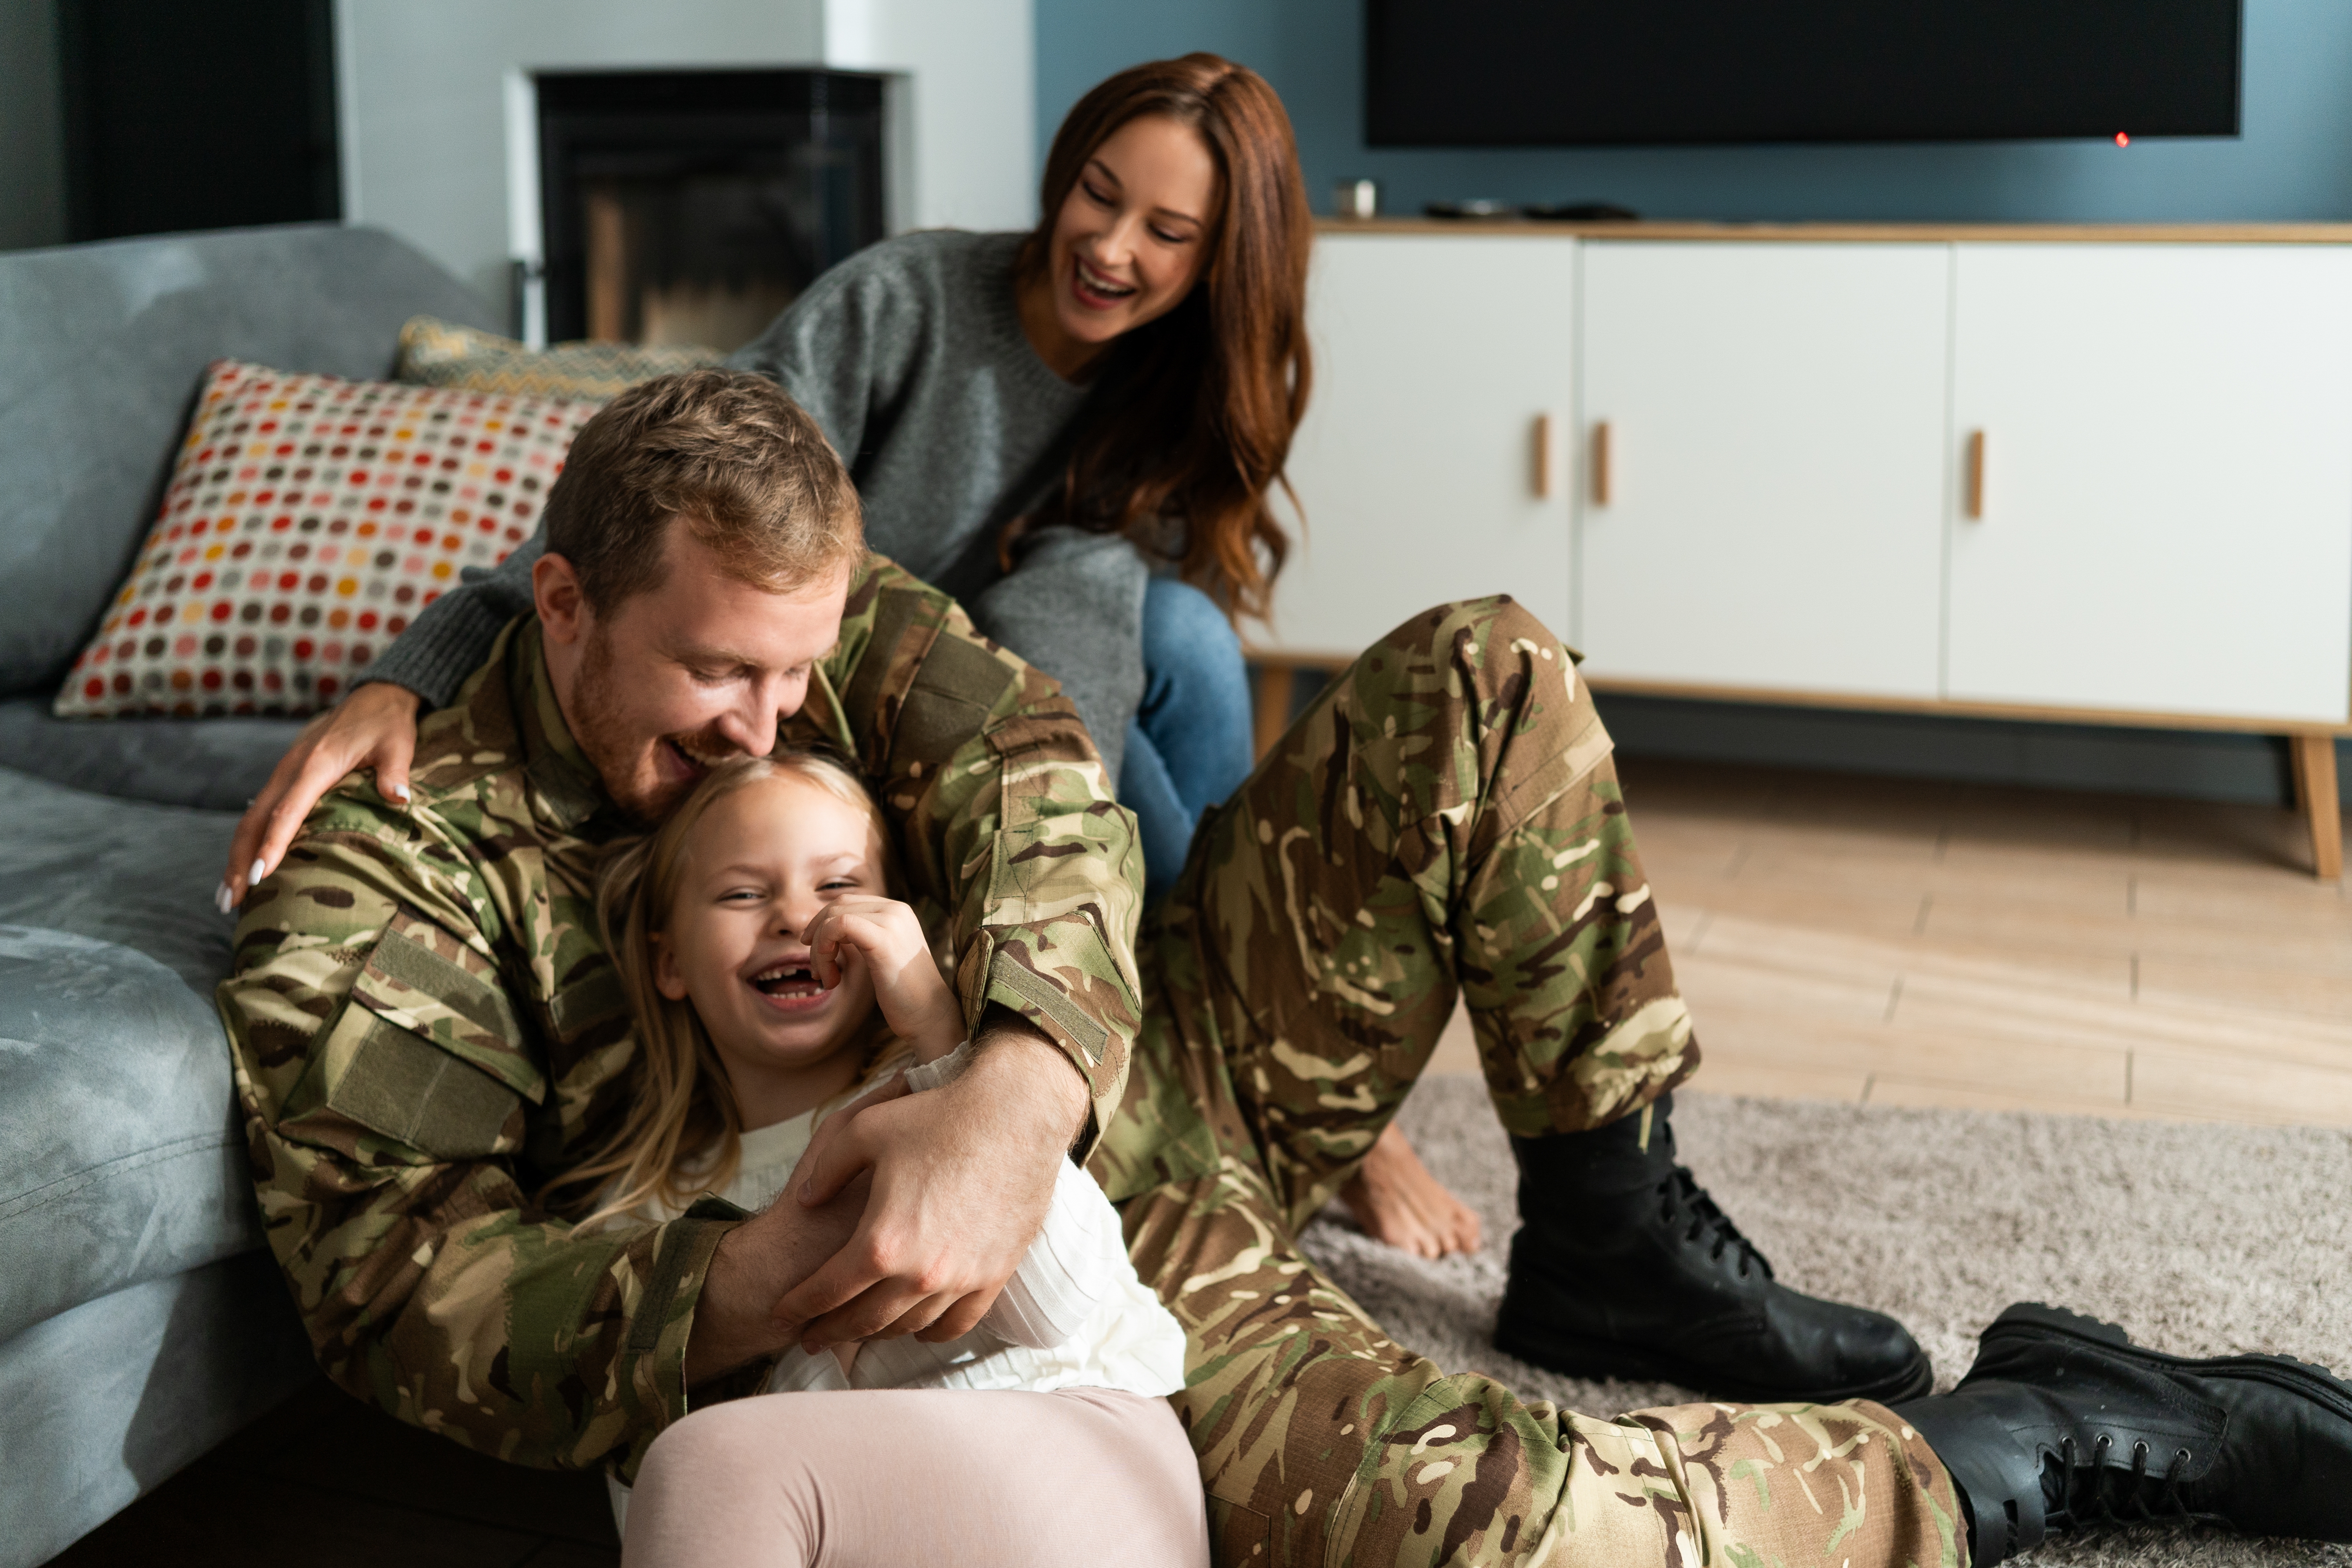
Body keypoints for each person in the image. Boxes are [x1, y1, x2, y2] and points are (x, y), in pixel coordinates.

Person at [219, 373, 2352, 1568]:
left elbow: (1044, 783)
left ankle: (1614, 1237)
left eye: (796, 673)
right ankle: (2028, 1444)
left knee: (1485, 674)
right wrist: (767, 1283)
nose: (771, 729)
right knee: (1518, 1535)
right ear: (567, 608)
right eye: (712, 677)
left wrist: (1016, 1088)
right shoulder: (384, 876)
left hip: (1126, 1092)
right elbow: (396, 1286)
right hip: (990, 1309)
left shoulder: (797, 628)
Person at [213, 54, 1481, 1260]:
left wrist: (1051, 794)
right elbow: (667, 515)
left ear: (1221, 260)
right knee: (1163, 706)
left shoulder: (1181, 394)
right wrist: (410, 668)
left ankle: (1241, 1056)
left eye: (1167, 231)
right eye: (1100, 193)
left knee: (1180, 662)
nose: (1111, 247)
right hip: (841, 689)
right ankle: (1255, 1067)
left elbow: (1079, 620)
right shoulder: (909, 303)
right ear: (1063, 175)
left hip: (1005, 680)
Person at [583, 749, 1202, 1566]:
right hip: (862, 1518)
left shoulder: (956, 1081)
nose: (794, 916)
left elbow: (1060, 1304)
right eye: (742, 892)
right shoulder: (649, 1202)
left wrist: (944, 1038)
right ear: (669, 961)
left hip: (1080, 1458)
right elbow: (651, 1491)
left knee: (714, 1462)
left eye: (836, 886)